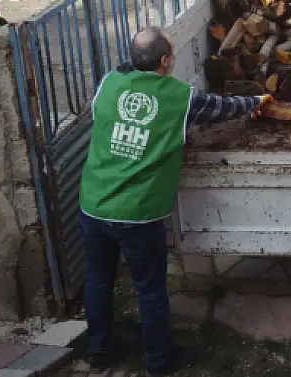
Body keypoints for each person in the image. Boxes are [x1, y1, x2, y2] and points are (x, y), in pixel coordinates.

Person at [78, 27, 273, 375]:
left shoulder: (109, 83)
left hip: (92, 204)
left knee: (97, 279)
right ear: (165, 61)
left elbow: (123, 77)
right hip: (136, 214)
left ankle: (100, 349)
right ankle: (159, 359)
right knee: (150, 289)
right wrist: (258, 102)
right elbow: (223, 107)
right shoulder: (179, 97)